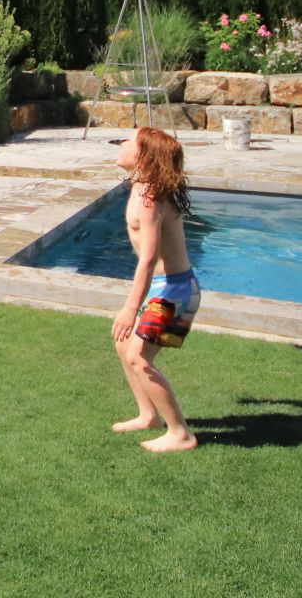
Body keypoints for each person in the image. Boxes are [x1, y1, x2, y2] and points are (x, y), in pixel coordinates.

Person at [109, 127, 201, 453]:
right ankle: (149, 415)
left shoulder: (149, 198)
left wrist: (130, 307)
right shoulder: (142, 185)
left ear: (144, 156)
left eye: (128, 142)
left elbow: (148, 258)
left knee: (138, 358)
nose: (121, 143)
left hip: (174, 291)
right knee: (124, 345)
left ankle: (181, 434)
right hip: (165, 288)